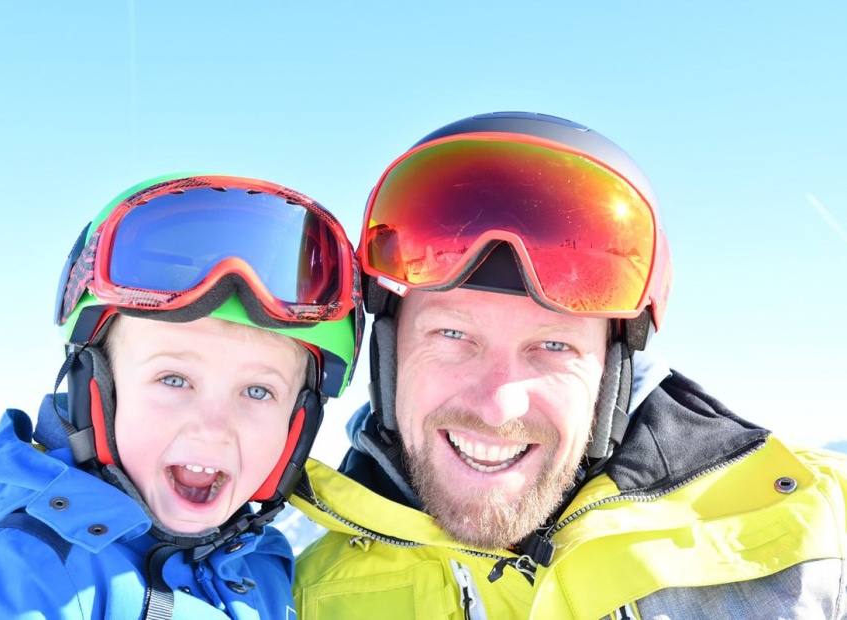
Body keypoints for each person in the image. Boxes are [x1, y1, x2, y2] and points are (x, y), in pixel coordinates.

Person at [290, 112, 847, 619]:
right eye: (453, 335)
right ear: (389, 352)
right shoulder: (302, 598)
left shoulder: (819, 530)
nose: (498, 406)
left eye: (553, 346)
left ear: (612, 372)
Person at [0, 173, 363, 619]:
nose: (213, 428)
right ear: (98, 393)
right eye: (174, 380)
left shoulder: (262, 566)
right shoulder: (34, 574)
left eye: (257, 391)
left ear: (298, 423)